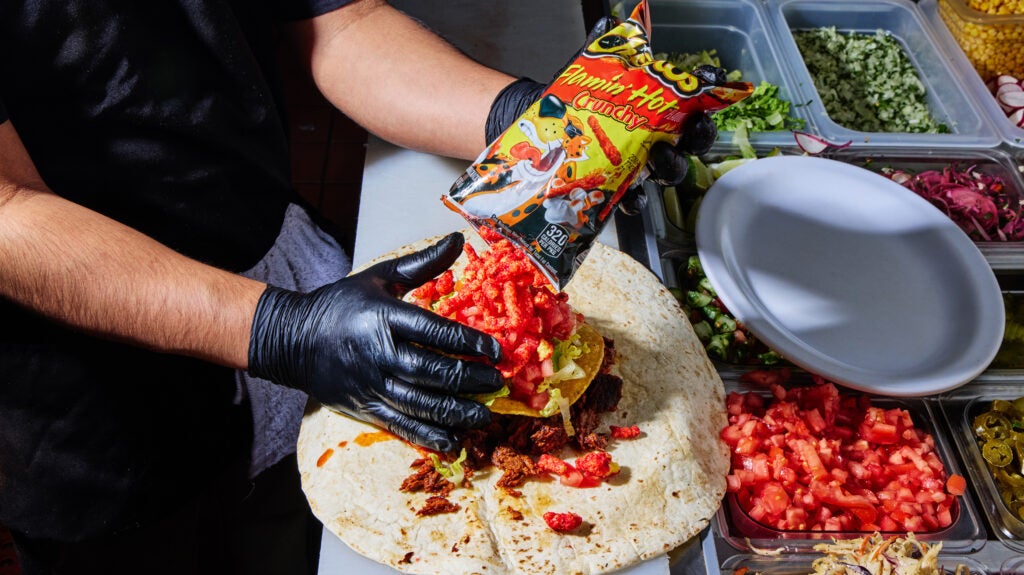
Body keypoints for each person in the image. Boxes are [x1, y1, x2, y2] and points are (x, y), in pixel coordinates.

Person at [0, 1, 716, 573]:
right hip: (97, 406)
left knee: (292, 537)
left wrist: (535, 130)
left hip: (288, 283)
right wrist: (276, 329)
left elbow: (341, 27)